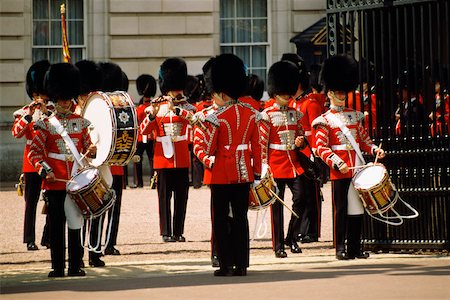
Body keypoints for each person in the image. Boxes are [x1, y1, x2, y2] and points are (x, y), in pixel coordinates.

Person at [312, 54, 385, 260]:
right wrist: (337, 162)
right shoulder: (324, 120)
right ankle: (339, 248)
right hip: (340, 171)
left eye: (343, 91)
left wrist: (374, 150)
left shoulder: (354, 116)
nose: (341, 95)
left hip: (356, 168)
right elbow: (321, 147)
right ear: (330, 93)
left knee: (357, 209)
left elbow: (364, 140)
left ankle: (355, 247)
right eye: (337, 91)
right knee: (341, 210)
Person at [28, 62, 95, 277]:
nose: (64, 102)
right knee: (57, 227)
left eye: (67, 98)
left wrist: (92, 150)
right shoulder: (45, 124)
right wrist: (45, 170)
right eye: (61, 99)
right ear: (55, 99)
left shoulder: (82, 123)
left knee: (75, 226)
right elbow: (35, 154)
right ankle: (57, 266)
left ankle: (76, 265)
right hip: (55, 181)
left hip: (76, 181)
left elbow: (87, 150)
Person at [202, 53, 262, 276]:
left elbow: (208, 148)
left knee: (219, 219)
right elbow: (257, 149)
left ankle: (225, 263)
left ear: (221, 92)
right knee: (240, 218)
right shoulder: (252, 114)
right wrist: (256, 173)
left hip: (220, 174)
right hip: (244, 172)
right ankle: (242, 264)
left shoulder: (216, 117)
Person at [140, 57, 195, 243]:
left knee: (181, 198)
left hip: (181, 158)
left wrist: (177, 108)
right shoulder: (155, 107)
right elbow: (144, 131)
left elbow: (194, 122)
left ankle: (178, 231)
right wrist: (154, 115)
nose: (177, 93)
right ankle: (166, 231)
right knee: (164, 197)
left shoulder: (187, 107)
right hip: (162, 158)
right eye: (174, 89)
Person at [260, 60, 306, 258]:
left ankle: (292, 237)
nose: (288, 95)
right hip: (275, 165)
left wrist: (301, 141)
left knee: (301, 199)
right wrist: (264, 168)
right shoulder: (266, 115)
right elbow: (262, 144)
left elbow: (302, 138)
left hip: (293, 164)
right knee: (276, 207)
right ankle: (278, 244)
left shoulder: (296, 114)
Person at [283, 53, 323, 244]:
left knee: (312, 195)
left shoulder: (311, 103)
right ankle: (300, 230)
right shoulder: (292, 103)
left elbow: (315, 132)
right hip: (296, 153)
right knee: (301, 196)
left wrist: (315, 153)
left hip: (308, 153)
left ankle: (312, 231)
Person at [12, 60, 52, 251]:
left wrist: (45, 113)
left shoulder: (52, 113)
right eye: (38, 96)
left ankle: (48, 237)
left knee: (52, 202)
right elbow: (16, 133)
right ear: (33, 94)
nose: (41, 100)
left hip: (50, 162)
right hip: (31, 163)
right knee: (31, 203)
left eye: (43, 96)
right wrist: (28, 115)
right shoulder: (22, 113)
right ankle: (29, 239)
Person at [134, 74, 157, 188]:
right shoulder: (154, 107)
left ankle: (140, 183)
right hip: (151, 137)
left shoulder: (139, 108)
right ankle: (153, 182)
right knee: (152, 160)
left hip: (141, 137)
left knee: (138, 160)